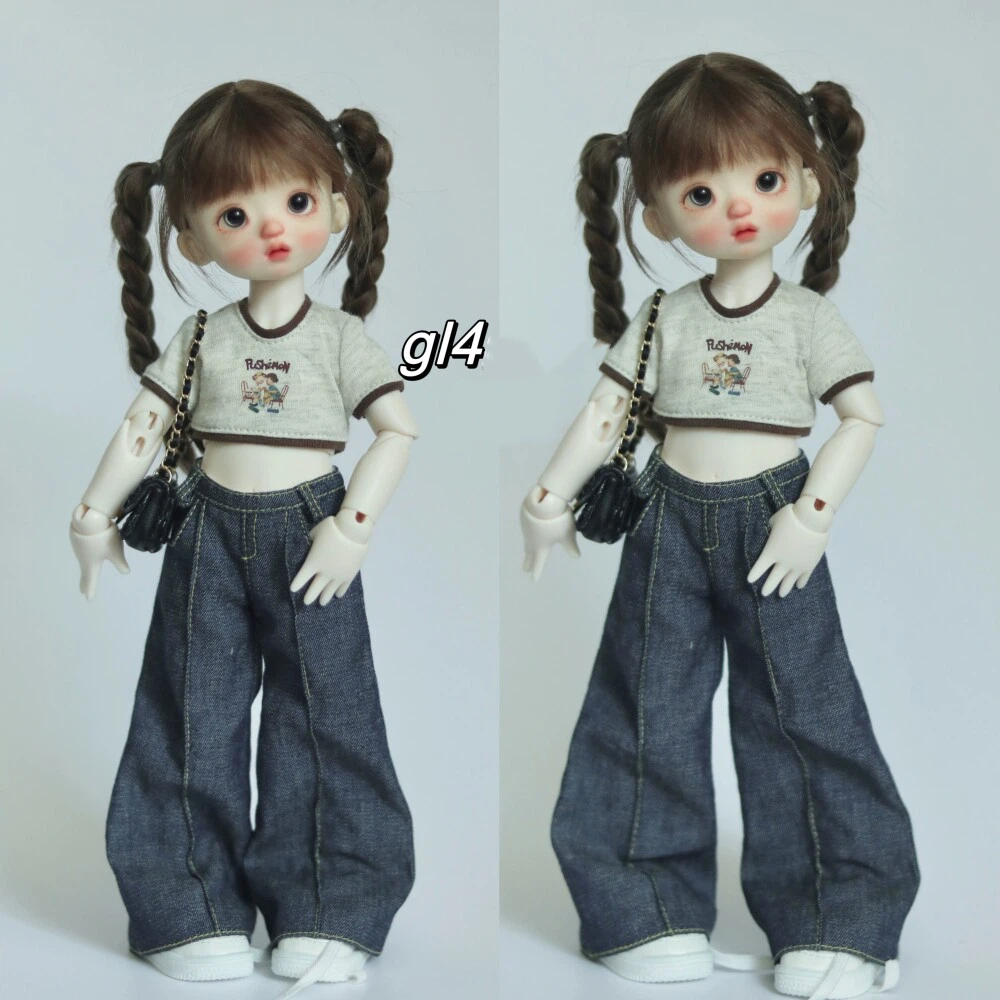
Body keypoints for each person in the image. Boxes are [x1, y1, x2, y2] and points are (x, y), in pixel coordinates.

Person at [520, 53, 919, 1000]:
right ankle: (641, 906)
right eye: (701, 192)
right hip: (668, 515)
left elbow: (861, 419)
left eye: (765, 179)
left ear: (808, 184)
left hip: (773, 514)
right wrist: (547, 497)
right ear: (657, 216)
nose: (738, 207)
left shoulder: (807, 320)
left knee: (806, 711)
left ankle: (841, 917)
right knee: (642, 704)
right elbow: (607, 414)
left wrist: (810, 518)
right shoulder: (663, 314)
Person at [69, 80, 417, 995]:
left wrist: (351, 529)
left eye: (295, 200)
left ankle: (332, 906)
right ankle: (186, 905)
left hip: (312, 528)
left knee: (330, 718)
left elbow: (396, 431)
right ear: (189, 237)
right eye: (233, 213)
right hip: (208, 530)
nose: (269, 228)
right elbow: (143, 427)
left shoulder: (339, 338)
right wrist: (94, 511)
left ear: (336, 206)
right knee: (190, 709)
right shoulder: (199, 337)